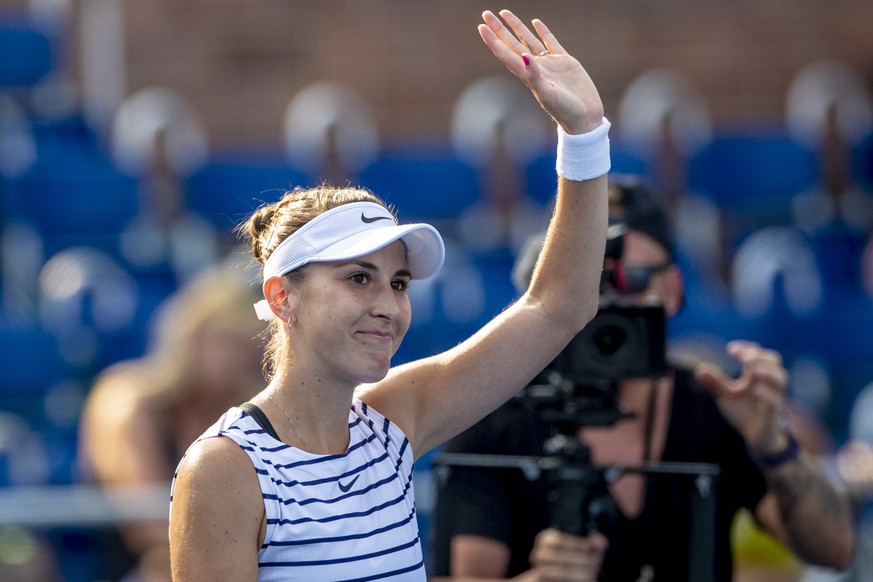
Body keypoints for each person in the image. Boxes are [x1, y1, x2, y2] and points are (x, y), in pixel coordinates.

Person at [168, 9, 611, 580]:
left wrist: (584, 136)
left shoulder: (391, 423)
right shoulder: (223, 469)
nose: (388, 304)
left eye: (398, 283)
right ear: (282, 298)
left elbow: (560, 305)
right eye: (359, 278)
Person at [429, 176, 856, 581]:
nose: (611, 300)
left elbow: (835, 551)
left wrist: (773, 445)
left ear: (672, 290)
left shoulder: (715, 404)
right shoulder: (498, 411)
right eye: (590, 280)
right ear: (554, 287)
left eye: (631, 280)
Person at [78, 259, 266, 581]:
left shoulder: (246, 414)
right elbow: (149, 526)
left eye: (251, 348)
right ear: (194, 335)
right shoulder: (127, 400)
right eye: (230, 341)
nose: (240, 360)